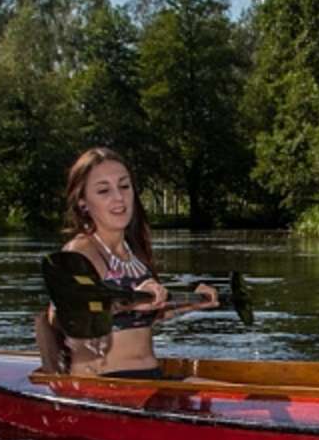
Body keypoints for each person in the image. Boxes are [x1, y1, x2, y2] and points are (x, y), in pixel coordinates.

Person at [34, 147, 216, 378]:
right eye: (103, 190)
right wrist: (130, 301)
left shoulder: (135, 251)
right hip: (104, 385)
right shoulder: (81, 252)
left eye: (124, 186)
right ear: (83, 202)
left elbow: (140, 317)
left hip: (150, 377)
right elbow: (63, 316)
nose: (118, 197)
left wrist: (188, 303)